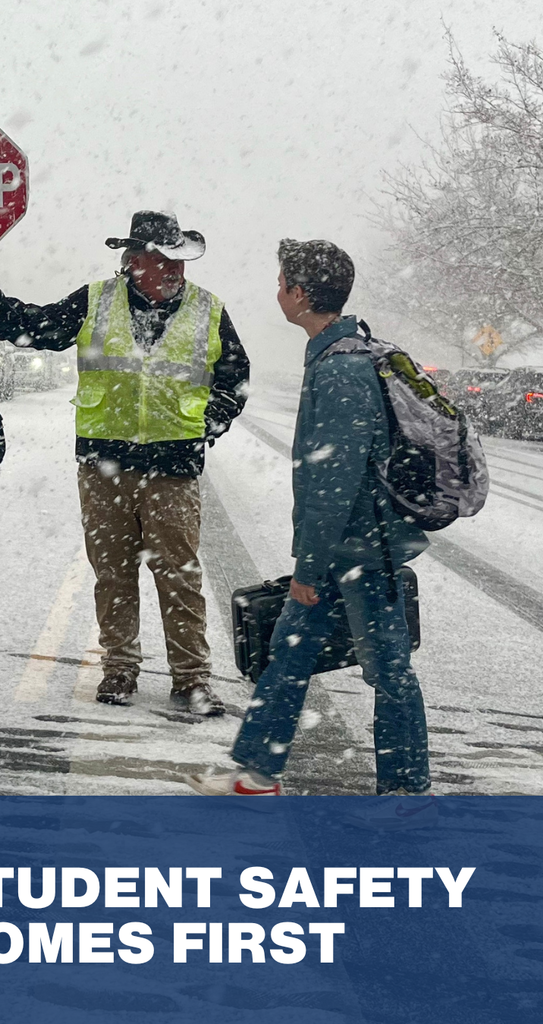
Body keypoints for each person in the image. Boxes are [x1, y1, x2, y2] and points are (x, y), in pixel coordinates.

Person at [0, 210, 249, 715]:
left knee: (179, 576)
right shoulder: (96, 300)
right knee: (112, 574)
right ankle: (119, 670)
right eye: (163, 260)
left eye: (179, 260)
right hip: (103, 464)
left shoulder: (208, 309)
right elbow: (37, 327)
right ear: (134, 262)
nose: (176, 270)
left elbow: (236, 380)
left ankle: (191, 678)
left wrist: (206, 428)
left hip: (174, 468)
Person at [188, 238, 430, 793]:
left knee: (388, 671)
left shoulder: (341, 369)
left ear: (299, 294)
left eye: (281, 284)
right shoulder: (340, 353)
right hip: (355, 547)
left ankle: (408, 791)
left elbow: (333, 481)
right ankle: (256, 773)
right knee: (288, 655)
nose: (277, 293)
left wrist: (309, 569)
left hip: (362, 553)